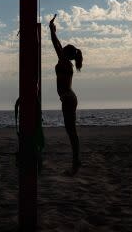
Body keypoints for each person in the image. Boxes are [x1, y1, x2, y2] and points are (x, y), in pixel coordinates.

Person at [49, 14, 83, 174]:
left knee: (71, 132)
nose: (60, 49)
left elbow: (55, 44)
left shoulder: (64, 62)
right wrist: (53, 31)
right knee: (71, 131)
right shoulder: (66, 63)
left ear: (65, 53)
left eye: (62, 50)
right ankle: (76, 161)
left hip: (68, 99)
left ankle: (75, 163)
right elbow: (57, 44)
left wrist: (52, 30)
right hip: (70, 98)